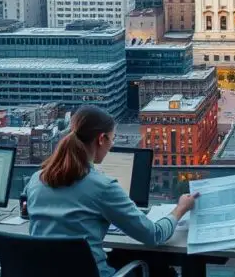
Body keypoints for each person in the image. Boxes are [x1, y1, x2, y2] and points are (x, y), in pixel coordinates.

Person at [25, 105, 197, 277]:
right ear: (101, 139)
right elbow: (153, 235)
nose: (112, 145)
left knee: (117, 256)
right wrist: (180, 208)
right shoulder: (102, 186)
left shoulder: (36, 180)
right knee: (161, 271)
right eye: (112, 139)